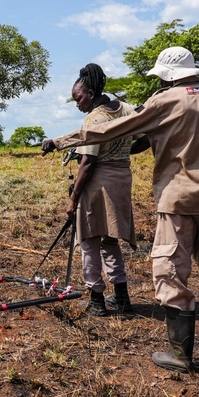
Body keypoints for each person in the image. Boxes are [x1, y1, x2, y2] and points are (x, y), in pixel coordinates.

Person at [42, 47, 199, 373]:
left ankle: (181, 354)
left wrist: (61, 140)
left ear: (166, 75)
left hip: (176, 202)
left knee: (170, 270)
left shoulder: (163, 100)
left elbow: (109, 131)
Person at [65, 64, 138, 316]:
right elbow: (147, 137)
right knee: (111, 240)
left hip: (98, 183)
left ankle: (96, 300)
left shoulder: (94, 118)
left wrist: (73, 198)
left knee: (88, 240)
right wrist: (123, 152)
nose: (77, 104)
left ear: (92, 92)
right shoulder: (126, 109)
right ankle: (121, 298)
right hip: (122, 180)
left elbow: (87, 162)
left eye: (79, 98)